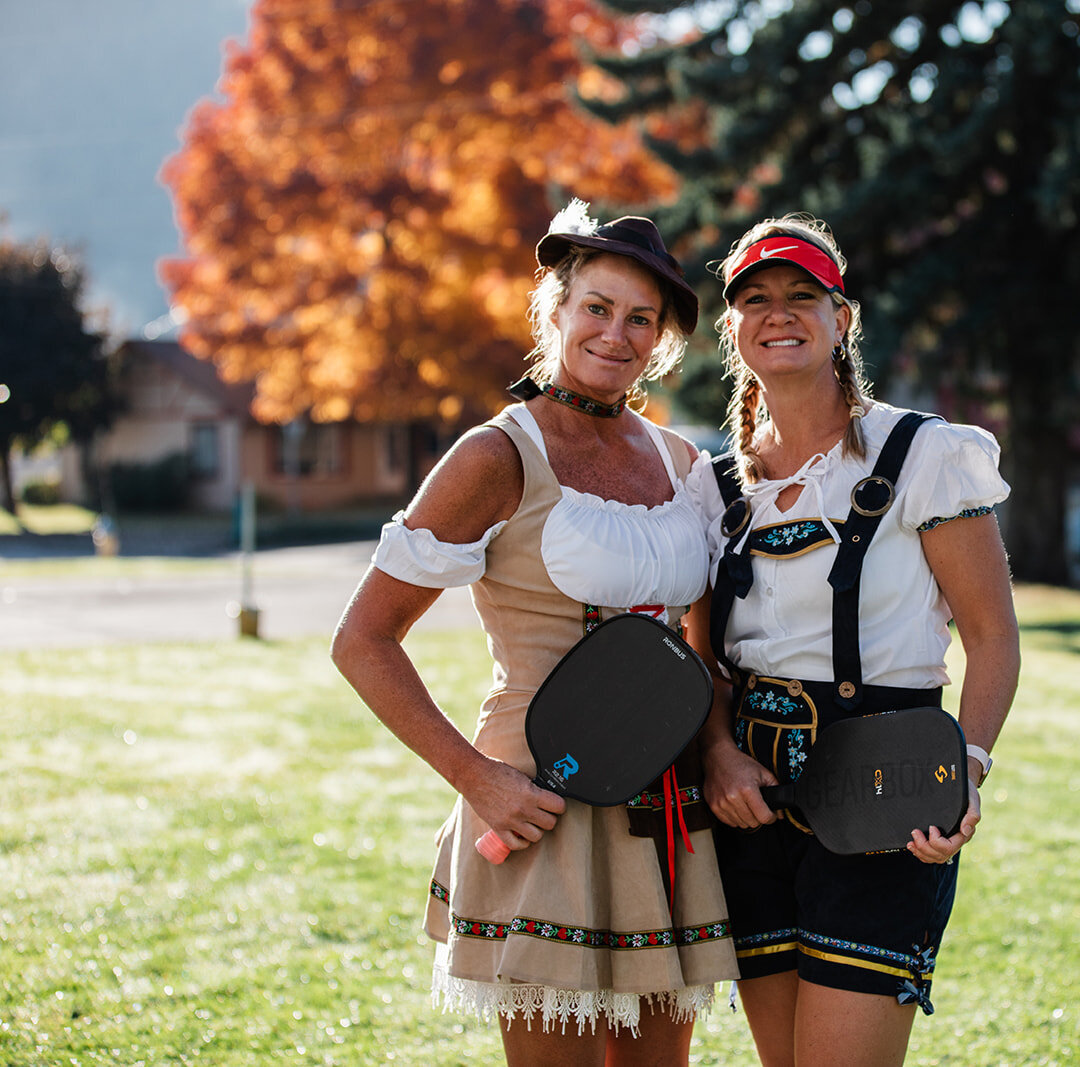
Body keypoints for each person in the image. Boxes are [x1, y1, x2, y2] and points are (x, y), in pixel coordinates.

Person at [331, 200, 738, 1067]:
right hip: (539, 805)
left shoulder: (684, 467)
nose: (615, 334)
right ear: (554, 311)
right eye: (596, 307)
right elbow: (362, 640)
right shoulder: (496, 455)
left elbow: (697, 652)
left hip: (666, 812)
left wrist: (721, 749)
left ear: (661, 340)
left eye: (640, 318)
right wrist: (479, 779)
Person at [686, 214, 1021, 1067]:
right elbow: (704, 655)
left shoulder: (925, 453)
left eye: (804, 295)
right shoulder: (713, 482)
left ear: (844, 318)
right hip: (749, 796)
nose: (779, 313)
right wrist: (719, 754)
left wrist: (967, 769)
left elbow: (991, 637)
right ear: (733, 328)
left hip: (887, 783)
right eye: (755, 299)